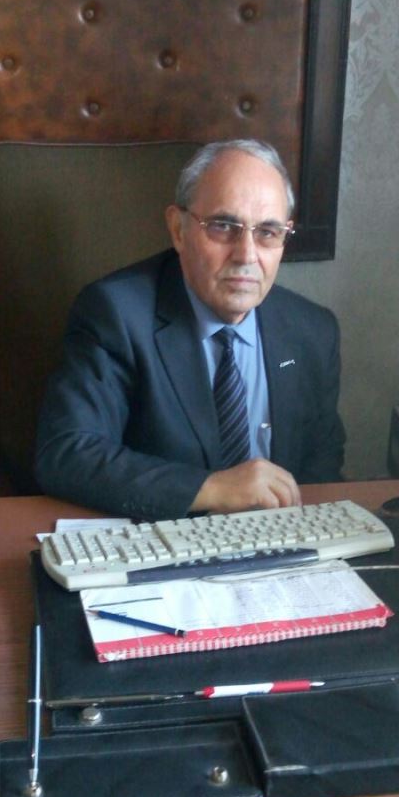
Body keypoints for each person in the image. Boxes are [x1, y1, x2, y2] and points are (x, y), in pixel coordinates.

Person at [34, 138, 345, 521]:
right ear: (178, 229)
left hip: (282, 541)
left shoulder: (313, 332)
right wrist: (211, 488)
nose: (246, 255)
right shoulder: (116, 314)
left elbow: (321, 474)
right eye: (224, 227)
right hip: (164, 538)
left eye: (267, 232)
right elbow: (68, 453)